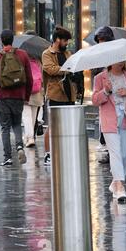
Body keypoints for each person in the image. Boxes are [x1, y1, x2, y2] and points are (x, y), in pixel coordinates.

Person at [92, 60, 126, 203]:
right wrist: (105, 91)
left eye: (123, 60)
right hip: (109, 120)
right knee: (115, 153)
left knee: (125, 155)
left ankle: (115, 183)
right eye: (118, 60)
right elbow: (95, 100)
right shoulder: (100, 78)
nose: (121, 63)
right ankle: (120, 187)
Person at [92, 26, 126, 164]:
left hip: (122, 96)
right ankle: (107, 148)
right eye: (99, 41)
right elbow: (95, 73)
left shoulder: (121, 50)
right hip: (107, 97)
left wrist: (120, 72)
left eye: (102, 41)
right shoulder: (98, 54)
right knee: (107, 123)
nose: (100, 44)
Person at [0, 29, 33, 166]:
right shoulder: (23, 54)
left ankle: (7, 157)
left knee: (5, 128)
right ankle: (20, 146)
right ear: (12, 40)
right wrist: (26, 96)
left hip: (4, 97)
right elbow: (30, 78)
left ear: (1, 40)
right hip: (19, 97)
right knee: (16, 124)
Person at [42, 26, 74, 165]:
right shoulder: (47, 54)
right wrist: (66, 69)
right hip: (55, 94)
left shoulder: (67, 53)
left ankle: (64, 151)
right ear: (57, 40)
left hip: (69, 93)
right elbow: (50, 69)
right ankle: (48, 154)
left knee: (68, 125)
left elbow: (73, 66)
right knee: (53, 125)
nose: (67, 43)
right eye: (65, 40)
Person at [22, 32, 44, 148]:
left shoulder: (21, 60)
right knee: (33, 117)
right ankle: (29, 136)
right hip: (37, 92)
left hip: (25, 91)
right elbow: (43, 77)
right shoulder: (39, 61)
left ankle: (30, 137)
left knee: (26, 116)